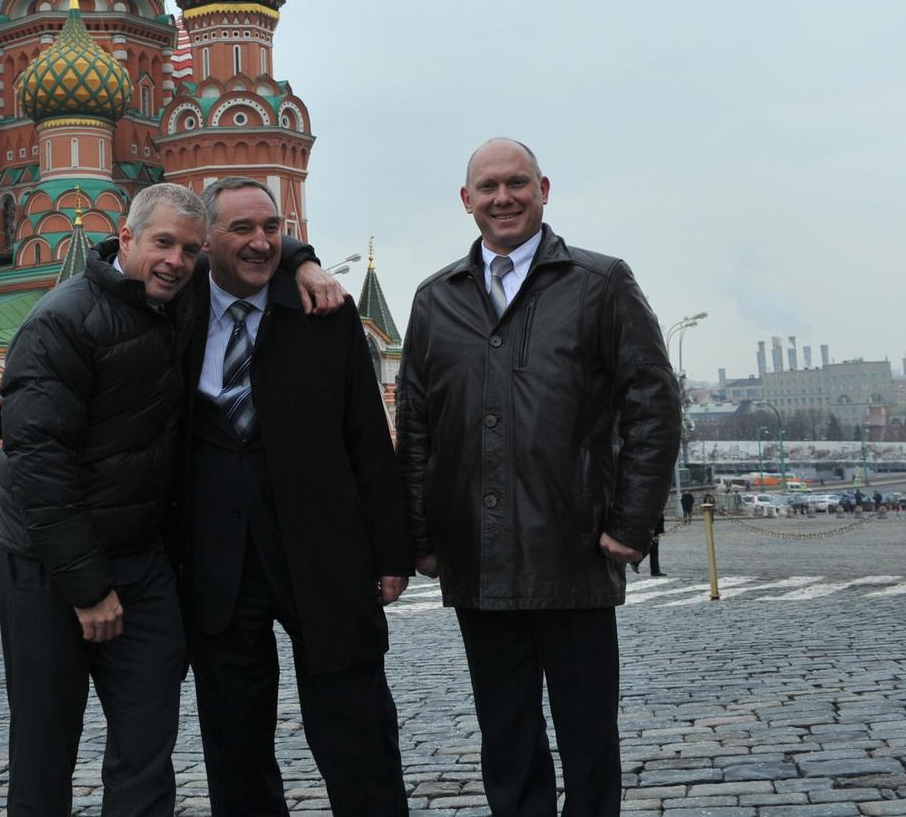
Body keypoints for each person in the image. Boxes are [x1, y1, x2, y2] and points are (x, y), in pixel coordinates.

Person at [0, 182, 337, 817]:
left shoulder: (180, 297)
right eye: (161, 244)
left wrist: (301, 259)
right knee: (45, 750)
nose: (176, 260)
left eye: (188, 248)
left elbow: (250, 248)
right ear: (124, 238)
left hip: (142, 568)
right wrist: (86, 586)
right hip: (46, 571)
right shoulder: (59, 323)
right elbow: (38, 465)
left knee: (148, 749)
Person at [397, 138, 681, 817]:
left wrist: (632, 522)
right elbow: (415, 427)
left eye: (517, 182)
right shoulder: (437, 299)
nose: (504, 197)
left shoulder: (599, 282)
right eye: (488, 187)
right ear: (466, 201)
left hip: (573, 551)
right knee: (507, 737)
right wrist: (420, 534)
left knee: (588, 739)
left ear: (544, 188)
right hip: (478, 558)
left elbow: (653, 401)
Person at [182, 177, 414, 817]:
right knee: (234, 743)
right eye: (241, 230)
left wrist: (391, 553)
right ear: (205, 241)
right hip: (220, 562)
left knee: (356, 731)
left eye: (271, 229)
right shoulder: (176, 307)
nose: (260, 243)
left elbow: (367, 436)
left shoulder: (324, 315)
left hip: (325, 553)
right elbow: (114, 257)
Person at [631, 512, 665, 577]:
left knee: (654, 549)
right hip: (653, 523)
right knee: (652, 547)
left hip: (655, 522)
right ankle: (636, 561)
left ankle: (655, 570)